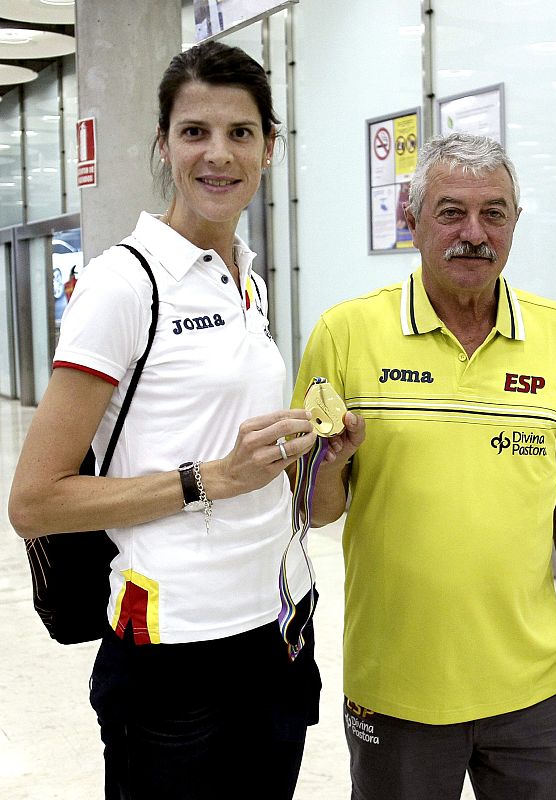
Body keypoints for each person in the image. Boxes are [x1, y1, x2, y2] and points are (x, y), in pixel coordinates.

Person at [9, 40, 321, 800]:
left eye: (241, 132)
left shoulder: (246, 278)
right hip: (173, 647)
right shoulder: (123, 285)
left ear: (270, 147)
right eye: (194, 132)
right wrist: (209, 479)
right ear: (163, 144)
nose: (219, 154)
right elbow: (35, 501)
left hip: (277, 627)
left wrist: (319, 453)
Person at [292, 132, 556, 800]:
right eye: (451, 212)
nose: (474, 233)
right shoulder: (345, 334)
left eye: (493, 213)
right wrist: (329, 463)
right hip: (395, 684)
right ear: (410, 222)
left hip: (533, 688)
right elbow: (313, 510)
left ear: (515, 223)